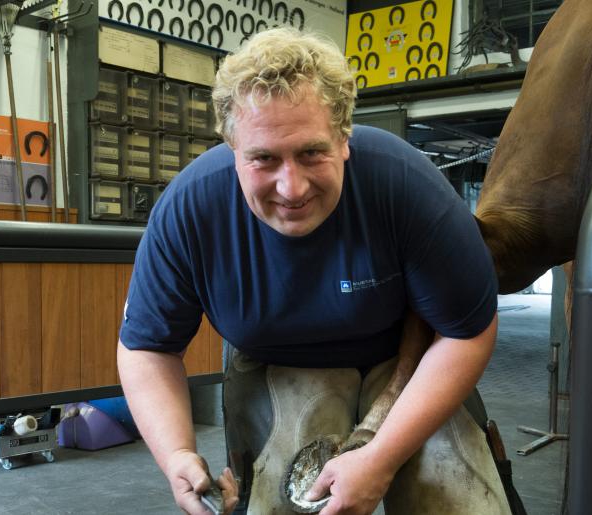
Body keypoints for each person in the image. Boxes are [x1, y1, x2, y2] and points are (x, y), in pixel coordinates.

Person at [117, 28, 511, 514]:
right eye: (263, 158)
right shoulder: (191, 209)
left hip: (406, 360)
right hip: (274, 363)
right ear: (231, 147)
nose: (292, 187)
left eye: (311, 153)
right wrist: (176, 452)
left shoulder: (406, 186)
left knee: (456, 498)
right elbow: (148, 348)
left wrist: (383, 458)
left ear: (344, 138)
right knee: (284, 501)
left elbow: (467, 332)